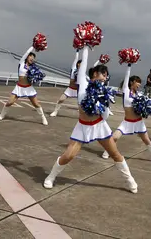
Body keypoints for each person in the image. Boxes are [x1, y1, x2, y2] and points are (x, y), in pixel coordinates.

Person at [43, 46, 138, 193]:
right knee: (68, 155)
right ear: (94, 74)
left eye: (106, 76)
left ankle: (130, 180)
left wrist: (104, 105)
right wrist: (86, 46)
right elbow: (84, 66)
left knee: (115, 154)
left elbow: (105, 115)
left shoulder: (104, 92)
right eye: (103, 74)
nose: (105, 77)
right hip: (82, 126)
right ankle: (51, 177)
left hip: (99, 126)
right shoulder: (84, 84)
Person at [101, 63, 151, 164]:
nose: (139, 84)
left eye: (140, 83)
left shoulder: (139, 94)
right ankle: (107, 151)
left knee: (146, 140)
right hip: (127, 122)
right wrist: (129, 65)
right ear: (132, 82)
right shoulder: (126, 91)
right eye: (137, 82)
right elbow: (126, 77)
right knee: (115, 137)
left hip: (138, 122)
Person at [0, 46, 48, 125]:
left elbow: (38, 76)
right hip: (19, 87)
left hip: (28, 88)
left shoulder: (33, 68)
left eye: (33, 58)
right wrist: (33, 46)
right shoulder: (21, 63)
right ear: (27, 57)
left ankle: (43, 117)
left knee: (36, 104)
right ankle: (2, 115)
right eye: (31, 56)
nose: (32, 58)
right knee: (10, 102)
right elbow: (26, 52)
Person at [50, 50, 81, 117]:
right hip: (70, 88)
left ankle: (84, 116)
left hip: (78, 90)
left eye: (81, 64)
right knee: (61, 99)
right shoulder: (74, 69)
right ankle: (55, 112)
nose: (80, 64)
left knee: (81, 104)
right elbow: (76, 59)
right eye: (79, 63)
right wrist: (77, 51)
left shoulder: (83, 73)